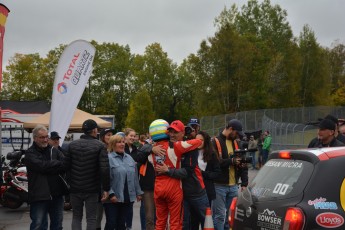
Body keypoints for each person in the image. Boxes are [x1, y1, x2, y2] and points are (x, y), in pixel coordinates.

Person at [147, 119, 202, 230]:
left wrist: (151, 148)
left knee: (160, 222)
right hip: (173, 187)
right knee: (175, 222)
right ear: (165, 131)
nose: (171, 134)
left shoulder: (150, 151)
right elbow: (198, 142)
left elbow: (140, 154)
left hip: (158, 187)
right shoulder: (177, 146)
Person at [64, 119, 110, 230]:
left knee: (76, 217)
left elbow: (66, 167)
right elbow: (104, 169)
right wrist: (106, 189)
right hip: (92, 189)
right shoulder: (100, 146)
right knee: (91, 218)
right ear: (94, 130)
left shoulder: (72, 145)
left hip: (75, 188)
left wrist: (70, 184)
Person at [25, 125, 66, 230]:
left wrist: (49, 165)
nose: (45, 139)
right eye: (42, 137)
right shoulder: (30, 153)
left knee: (57, 225)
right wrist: (55, 164)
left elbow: (65, 164)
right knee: (38, 226)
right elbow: (41, 166)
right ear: (35, 138)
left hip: (57, 195)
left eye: (46, 136)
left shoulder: (54, 150)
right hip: (39, 196)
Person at [211, 119, 249, 230]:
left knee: (229, 216)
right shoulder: (215, 142)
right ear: (230, 129)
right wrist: (231, 161)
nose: (237, 136)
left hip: (233, 186)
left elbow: (243, 163)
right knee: (220, 216)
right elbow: (215, 162)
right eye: (236, 133)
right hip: (219, 186)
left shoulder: (237, 143)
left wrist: (244, 182)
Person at [103, 134, 143, 230]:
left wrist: (138, 192)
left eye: (123, 142)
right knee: (111, 223)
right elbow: (105, 178)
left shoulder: (129, 158)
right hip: (113, 197)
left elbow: (135, 177)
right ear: (113, 144)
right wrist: (111, 194)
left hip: (127, 197)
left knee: (121, 224)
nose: (122, 144)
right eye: (119, 142)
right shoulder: (108, 159)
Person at [96, 128, 115, 230]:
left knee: (111, 218)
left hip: (111, 187)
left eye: (112, 135)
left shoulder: (115, 149)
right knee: (97, 217)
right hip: (99, 187)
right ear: (103, 137)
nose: (110, 137)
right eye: (108, 135)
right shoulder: (98, 148)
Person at [195, 131, 221, 207]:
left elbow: (217, 173)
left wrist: (202, 173)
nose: (198, 142)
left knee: (205, 216)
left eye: (201, 140)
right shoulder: (191, 153)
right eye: (196, 140)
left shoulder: (212, 154)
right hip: (193, 190)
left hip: (206, 190)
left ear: (206, 141)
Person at [124, 128, 139, 230]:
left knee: (129, 207)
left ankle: (128, 226)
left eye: (134, 136)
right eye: (131, 136)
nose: (133, 138)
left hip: (132, 181)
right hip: (122, 181)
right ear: (125, 136)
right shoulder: (120, 147)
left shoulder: (136, 149)